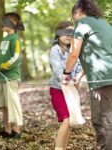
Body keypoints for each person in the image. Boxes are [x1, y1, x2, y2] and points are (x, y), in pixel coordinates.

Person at [62, 0, 112, 149]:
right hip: (105, 75)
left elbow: (73, 53)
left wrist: (66, 73)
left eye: (73, 17)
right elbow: (99, 52)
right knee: (99, 118)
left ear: (79, 12)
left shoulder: (82, 24)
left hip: (102, 79)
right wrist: (81, 75)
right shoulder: (103, 24)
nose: (74, 20)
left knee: (105, 120)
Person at [49, 21, 82, 150]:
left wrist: (76, 78)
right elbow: (57, 68)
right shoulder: (55, 49)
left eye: (72, 33)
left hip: (70, 90)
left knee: (69, 121)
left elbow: (78, 66)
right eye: (66, 32)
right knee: (66, 120)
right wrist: (63, 77)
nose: (69, 36)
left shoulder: (73, 50)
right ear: (58, 34)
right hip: (58, 89)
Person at [0, 12, 24, 138]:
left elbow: (15, 58)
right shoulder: (4, 39)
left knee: (13, 104)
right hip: (1, 77)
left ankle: (17, 130)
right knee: (4, 105)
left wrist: (1, 66)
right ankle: (7, 130)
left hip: (11, 77)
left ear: (13, 23)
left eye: (5, 21)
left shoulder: (15, 39)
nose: (2, 24)